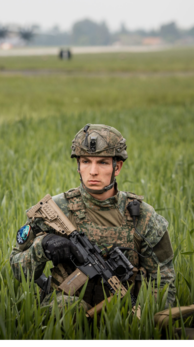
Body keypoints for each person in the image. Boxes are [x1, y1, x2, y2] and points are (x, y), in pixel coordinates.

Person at [9, 124, 175, 313]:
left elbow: (164, 282)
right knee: (67, 307)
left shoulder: (143, 217)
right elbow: (17, 269)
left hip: (121, 312)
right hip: (66, 314)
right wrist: (42, 247)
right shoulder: (56, 210)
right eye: (86, 161)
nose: (93, 171)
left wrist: (148, 320)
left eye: (102, 162)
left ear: (117, 167)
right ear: (78, 166)